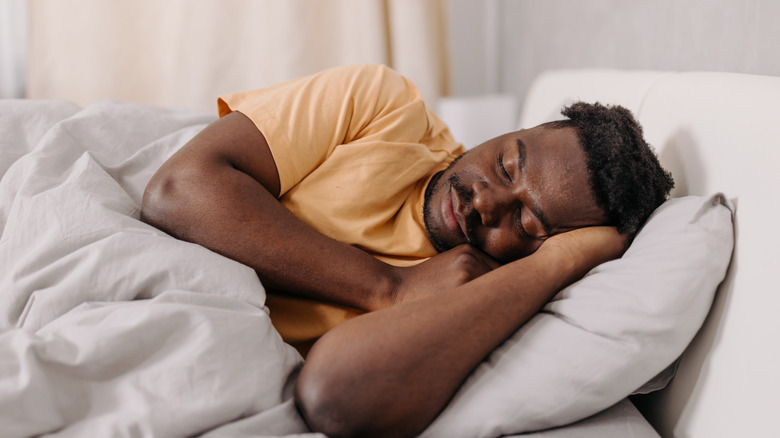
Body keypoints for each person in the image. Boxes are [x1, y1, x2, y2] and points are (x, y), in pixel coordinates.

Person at [141, 64, 673, 437]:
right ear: (517, 129)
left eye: (529, 222)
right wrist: (389, 288)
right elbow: (178, 190)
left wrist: (561, 262)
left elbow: (336, 397)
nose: (486, 202)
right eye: (509, 165)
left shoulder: (485, 292)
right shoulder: (383, 106)